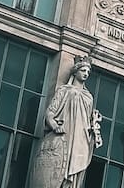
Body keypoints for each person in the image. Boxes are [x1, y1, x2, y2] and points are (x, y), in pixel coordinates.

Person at [32, 56, 102, 187]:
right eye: (83, 71)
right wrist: (53, 124)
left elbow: (89, 119)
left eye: (88, 72)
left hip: (80, 139)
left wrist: (94, 131)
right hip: (65, 135)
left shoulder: (89, 97)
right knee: (62, 164)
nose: (86, 74)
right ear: (75, 72)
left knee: (75, 171)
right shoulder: (64, 91)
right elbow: (50, 112)